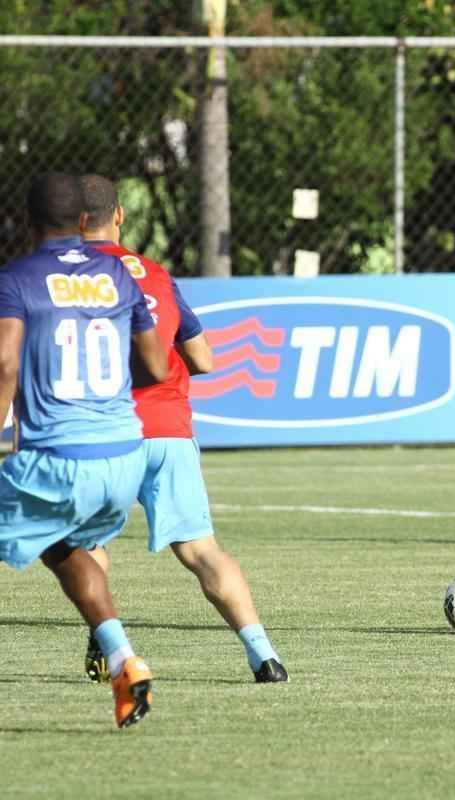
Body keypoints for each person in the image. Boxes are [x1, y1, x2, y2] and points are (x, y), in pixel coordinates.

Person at [77, 174, 288, 683]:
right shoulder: (155, 273)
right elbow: (204, 358)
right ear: (120, 216)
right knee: (201, 551)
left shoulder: (57, 280)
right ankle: (264, 655)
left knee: (87, 545)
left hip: (106, 432)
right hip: (169, 429)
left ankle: (109, 642)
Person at [0, 173, 169, 727]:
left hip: (60, 456)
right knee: (64, 548)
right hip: (123, 455)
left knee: (55, 540)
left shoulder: (18, 278)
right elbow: (156, 364)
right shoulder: (118, 272)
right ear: (83, 223)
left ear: (28, 222)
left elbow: (4, 364)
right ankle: (123, 660)